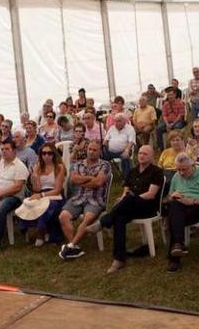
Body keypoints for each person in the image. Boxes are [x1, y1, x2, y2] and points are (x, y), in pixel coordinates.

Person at [86, 145, 163, 273]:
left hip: (147, 206)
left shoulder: (156, 172)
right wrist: (123, 197)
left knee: (129, 198)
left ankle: (103, 222)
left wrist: (128, 199)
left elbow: (151, 194)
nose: (142, 156)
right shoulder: (133, 171)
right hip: (130, 206)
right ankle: (119, 259)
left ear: (151, 157)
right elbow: (126, 189)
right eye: (140, 153)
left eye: (145, 154)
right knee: (119, 219)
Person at [165, 154, 199, 273]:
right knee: (175, 205)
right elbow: (169, 196)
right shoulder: (177, 176)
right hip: (180, 207)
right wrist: (172, 196)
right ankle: (178, 245)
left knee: (174, 216)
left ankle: (175, 256)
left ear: (193, 165)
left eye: (184, 169)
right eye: (178, 169)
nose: (181, 173)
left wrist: (193, 201)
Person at [59, 140, 111, 260]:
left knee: (87, 219)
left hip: (95, 199)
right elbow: (73, 179)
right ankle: (74, 246)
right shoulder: (78, 164)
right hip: (78, 197)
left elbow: (98, 182)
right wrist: (90, 178)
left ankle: (70, 246)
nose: (91, 152)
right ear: (86, 150)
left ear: (99, 152)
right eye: (89, 149)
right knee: (63, 216)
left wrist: (82, 180)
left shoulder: (105, 165)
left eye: (94, 150)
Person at [21, 145, 67, 246]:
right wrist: (35, 178)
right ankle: (43, 230)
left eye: (49, 153)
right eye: (44, 153)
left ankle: (40, 232)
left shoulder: (59, 167)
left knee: (49, 205)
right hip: (40, 193)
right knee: (28, 204)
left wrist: (41, 195)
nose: (46, 156)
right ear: (41, 155)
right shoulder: (38, 167)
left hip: (55, 195)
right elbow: (37, 189)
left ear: (54, 154)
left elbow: (58, 189)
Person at [104, 113, 136, 178]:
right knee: (100, 155)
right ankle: (104, 176)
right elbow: (106, 140)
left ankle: (126, 178)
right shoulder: (112, 128)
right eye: (115, 121)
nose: (117, 123)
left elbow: (131, 141)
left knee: (125, 156)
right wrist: (103, 148)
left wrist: (127, 150)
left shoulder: (130, 129)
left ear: (124, 121)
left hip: (124, 151)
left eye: (119, 121)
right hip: (110, 152)